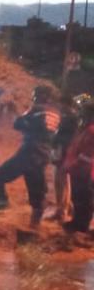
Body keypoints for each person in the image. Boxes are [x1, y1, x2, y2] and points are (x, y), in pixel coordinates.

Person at [0, 85, 61, 228]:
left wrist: (17, 114)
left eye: (35, 95)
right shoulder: (56, 113)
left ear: (43, 96)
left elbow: (18, 124)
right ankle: (35, 227)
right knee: (37, 194)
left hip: (29, 152)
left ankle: (0, 209)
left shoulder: (36, 109)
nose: (33, 98)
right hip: (44, 155)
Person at [63, 97, 94, 234]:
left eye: (84, 111)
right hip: (78, 169)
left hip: (86, 170)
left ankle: (82, 225)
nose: (80, 113)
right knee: (78, 197)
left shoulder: (92, 130)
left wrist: (74, 164)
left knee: (84, 198)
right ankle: (78, 221)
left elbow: (88, 153)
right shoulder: (85, 128)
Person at [50, 93, 81, 221]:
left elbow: (69, 138)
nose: (58, 106)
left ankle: (62, 211)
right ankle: (64, 209)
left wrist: (57, 145)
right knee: (63, 182)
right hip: (63, 152)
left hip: (64, 153)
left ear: (64, 104)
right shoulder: (70, 117)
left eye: (60, 104)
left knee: (62, 182)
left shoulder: (72, 118)